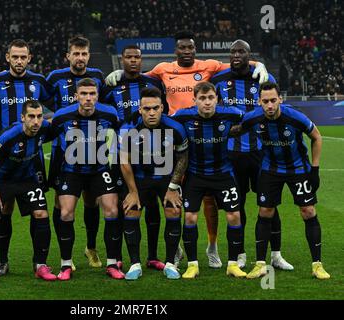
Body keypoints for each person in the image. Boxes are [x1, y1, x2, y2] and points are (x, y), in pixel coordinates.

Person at [106, 31, 270, 268]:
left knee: (210, 200)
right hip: (175, 137)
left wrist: (259, 63)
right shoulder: (163, 68)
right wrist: (121, 72)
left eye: (190, 48)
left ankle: (212, 246)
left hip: (206, 136)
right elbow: (140, 76)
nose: (186, 51)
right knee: (174, 193)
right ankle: (177, 246)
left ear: (195, 49)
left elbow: (236, 61)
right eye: (182, 48)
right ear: (176, 50)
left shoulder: (209, 66)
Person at [210, 40, 293, 270]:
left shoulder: (263, 79)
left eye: (241, 51)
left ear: (250, 55)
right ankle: (239, 255)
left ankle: (275, 254)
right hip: (231, 155)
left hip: (261, 153)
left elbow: (275, 109)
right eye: (233, 52)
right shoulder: (218, 80)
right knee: (235, 207)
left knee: (270, 205)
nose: (236, 55)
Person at [235, 82, 330, 280]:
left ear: (280, 99)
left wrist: (315, 169)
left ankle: (317, 265)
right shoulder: (253, 118)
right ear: (259, 102)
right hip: (270, 169)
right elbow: (236, 129)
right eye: (265, 101)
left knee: (308, 211)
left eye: (273, 100)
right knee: (265, 211)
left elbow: (317, 137)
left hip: (298, 169)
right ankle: (260, 264)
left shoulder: (294, 117)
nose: (269, 105)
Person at [0, 39, 52, 276]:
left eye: (23, 57)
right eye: (15, 57)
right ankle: (2, 260)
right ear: (7, 58)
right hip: (4, 158)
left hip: (32, 162)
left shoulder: (39, 82)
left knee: (39, 210)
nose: (19, 61)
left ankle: (39, 262)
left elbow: (55, 107)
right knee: (4, 210)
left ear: (29, 58)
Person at [102, 44, 169, 270]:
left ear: (142, 60)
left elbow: (164, 111)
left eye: (137, 57)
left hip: (153, 153)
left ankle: (152, 256)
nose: (133, 61)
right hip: (122, 152)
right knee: (127, 204)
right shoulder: (112, 85)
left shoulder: (152, 84)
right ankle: (123, 256)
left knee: (152, 207)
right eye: (128, 57)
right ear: (122, 60)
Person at [172, 82, 247, 279]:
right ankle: (192, 264)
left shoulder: (230, 114)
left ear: (217, 99)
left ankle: (232, 264)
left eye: (210, 98)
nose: (207, 102)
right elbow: (166, 123)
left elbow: (250, 119)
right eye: (202, 98)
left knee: (234, 216)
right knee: (190, 218)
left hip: (223, 174)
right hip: (195, 175)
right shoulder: (183, 115)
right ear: (194, 100)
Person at [50, 78, 123, 281]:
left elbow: (120, 136)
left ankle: (111, 263)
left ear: (97, 96)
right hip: (71, 170)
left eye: (92, 94)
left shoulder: (109, 113)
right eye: (84, 94)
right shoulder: (62, 116)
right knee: (65, 213)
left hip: (99, 169)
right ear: (76, 96)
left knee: (112, 210)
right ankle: (66, 264)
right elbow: (50, 139)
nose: (88, 98)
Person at [0, 100, 57, 284]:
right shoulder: (9, 135)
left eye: (39, 116)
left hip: (27, 179)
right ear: (23, 117)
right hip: (2, 180)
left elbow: (59, 121)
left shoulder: (44, 128)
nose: (36, 121)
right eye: (31, 116)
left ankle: (40, 265)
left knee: (41, 213)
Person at [46, 36, 105, 269]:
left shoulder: (98, 77)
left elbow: (106, 103)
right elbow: (46, 99)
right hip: (62, 150)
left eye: (84, 53)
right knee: (61, 203)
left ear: (88, 55)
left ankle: (91, 247)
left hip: (92, 148)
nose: (80, 58)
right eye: (76, 53)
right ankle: (63, 251)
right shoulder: (55, 77)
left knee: (92, 201)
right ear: (68, 55)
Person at [119, 87, 188, 280]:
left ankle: (170, 263)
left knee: (173, 210)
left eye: (155, 108)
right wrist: (132, 192)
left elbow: (183, 158)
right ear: (140, 109)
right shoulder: (128, 128)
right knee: (131, 210)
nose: (151, 113)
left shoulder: (175, 128)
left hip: (166, 179)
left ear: (162, 108)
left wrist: (173, 188)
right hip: (139, 178)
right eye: (146, 109)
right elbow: (124, 161)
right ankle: (134, 264)